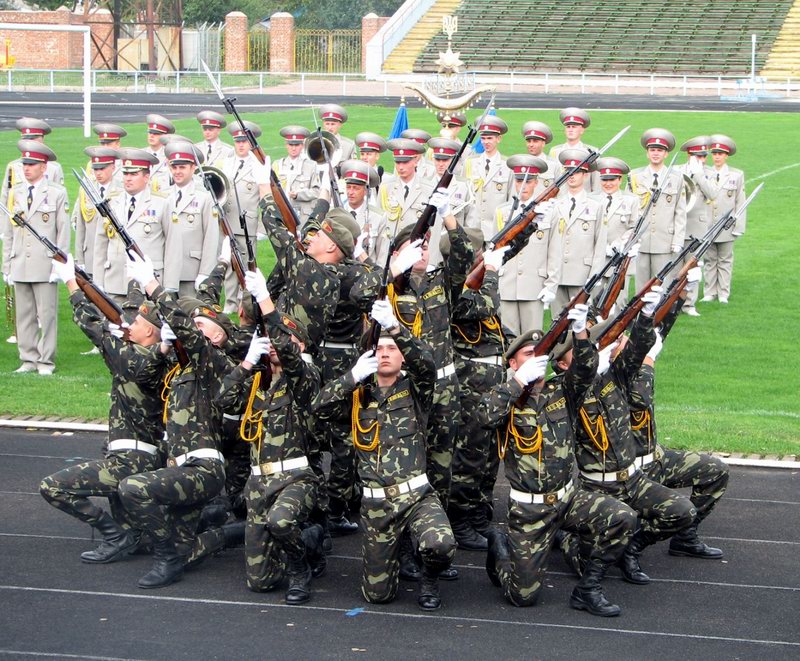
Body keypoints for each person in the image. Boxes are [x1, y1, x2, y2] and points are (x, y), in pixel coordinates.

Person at [479, 307, 636, 616]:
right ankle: (500, 549)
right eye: (528, 355)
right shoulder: (505, 398)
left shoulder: (561, 391)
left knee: (623, 518)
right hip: (530, 510)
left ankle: (588, 590)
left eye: (540, 353)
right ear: (513, 363)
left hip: (568, 499)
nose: (536, 359)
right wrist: (518, 382)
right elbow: (484, 417)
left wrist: (579, 333)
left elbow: (586, 370)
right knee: (523, 596)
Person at [314, 300, 456, 611]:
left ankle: (429, 578)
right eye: (379, 348)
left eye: (392, 348)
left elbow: (426, 363)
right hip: (377, 504)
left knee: (441, 543)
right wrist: (351, 377)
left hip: (416, 496)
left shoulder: (416, 388)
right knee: (377, 595)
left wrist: (394, 326)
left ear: (402, 355)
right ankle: (396, 553)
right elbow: (319, 408)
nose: (385, 353)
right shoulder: (357, 396)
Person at [40, 255, 166, 564]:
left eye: (137, 324)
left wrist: (72, 284)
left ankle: (114, 535)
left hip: (130, 461)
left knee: (52, 487)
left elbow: (93, 327)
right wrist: (137, 282)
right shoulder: (148, 358)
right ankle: (131, 535)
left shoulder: (136, 361)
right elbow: (120, 316)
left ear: (151, 332)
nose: (128, 325)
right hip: (136, 455)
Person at [120, 252, 234, 589]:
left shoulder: (216, 363)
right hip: (180, 466)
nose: (192, 330)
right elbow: (142, 375)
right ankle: (231, 533)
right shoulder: (181, 368)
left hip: (203, 469)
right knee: (186, 551)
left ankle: (165, 557)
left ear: (217, 337)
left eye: (201, 326)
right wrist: (163, 349)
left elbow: (188, 331)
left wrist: (152, 285)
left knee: (133, 488)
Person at [566, 295, 696, 585]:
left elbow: (636, 351)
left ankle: (632, 548)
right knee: (585, 560)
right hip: (598, 486)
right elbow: (580, 374)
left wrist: (646, 317)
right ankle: (568, 540)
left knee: (682, 511)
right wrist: (581, 338)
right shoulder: (568, 391)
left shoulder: (615, 378)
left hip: (632, 481)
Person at [217, 267, 324, 603]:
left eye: (284, 339)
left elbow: (290, 356)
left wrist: (264, 299)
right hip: (258, 483)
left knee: (281, 521)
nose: (276, 344)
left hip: (295, 478)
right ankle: (307, 539)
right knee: (260, 582)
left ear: (299, 345)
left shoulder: (306, 377)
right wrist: (247, 364)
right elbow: (223, 400)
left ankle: (300, 567)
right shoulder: (258, 383)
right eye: (272, 338)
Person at [627, 267, 729, 559]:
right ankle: (635, 544)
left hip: (656, 459)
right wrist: (648, 359)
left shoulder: (631, 358)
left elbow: (657, 333)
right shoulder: (611, 372)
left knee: (715, 470)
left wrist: (680, 293)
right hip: (631, 473)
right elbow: (639, 399)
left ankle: (686, 537)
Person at [448, 238, 510, 549]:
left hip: (492, 382)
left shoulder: (474, 286)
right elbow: (487, 305)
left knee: (489, 455)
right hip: (471, 385)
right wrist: (493, 273)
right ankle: (459, 520)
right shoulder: (455, 293)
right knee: (469, 455)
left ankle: (478, 514)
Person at [4, 140, 69, 375]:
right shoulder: (16, 192)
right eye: (25, 164)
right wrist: (6, 264)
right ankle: (28, 358)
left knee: (47, 315)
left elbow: (62, 230)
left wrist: (59, 265)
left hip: (45, 263)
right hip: (20, 260)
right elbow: (9, 230)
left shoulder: (56, 193)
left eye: (32, 164)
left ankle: (46, 361)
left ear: (44, 167)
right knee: (24, 315)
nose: (27, 168)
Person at [93, 148, 177, 304]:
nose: (128, 178)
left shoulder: (162, 203)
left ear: (146, 177)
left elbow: (173, 245)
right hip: (115, 281)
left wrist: (170, 284)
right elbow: (100, 244)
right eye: (125, 174)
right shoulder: (111, 203)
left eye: (134, 174)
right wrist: (98, 281)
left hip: (148, 284)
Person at [493, 154, 560, 335]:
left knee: (532, 340)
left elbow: (555, 251)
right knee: (508, 340)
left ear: (536, 182)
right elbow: (493, 250)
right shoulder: (502, 212)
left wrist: (551, 285)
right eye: (519, 180)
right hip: (507, 284)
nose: (523, 185)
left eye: (528, 181)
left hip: (534, 285)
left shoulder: (550, 212)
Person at [220, 120, 271, 312]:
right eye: (237, 141)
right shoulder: (227, 162)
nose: (240, 145)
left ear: (251, 142)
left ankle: (246, 302)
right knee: (229, 263)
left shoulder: (258, 164)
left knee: (248, 266)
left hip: (247, 224)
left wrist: (261, 228)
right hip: (227, 220)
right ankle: (230, 303)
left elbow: (265, 196)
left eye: (244, 141)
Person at [627, 128, 686, 292]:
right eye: (652, 150)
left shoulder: (676, 178)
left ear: (666, 154)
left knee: (661, 287)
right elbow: (628, 209)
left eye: (660, 150)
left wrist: (678, 241)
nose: (655, 153)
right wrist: (628, 238)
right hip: (640, 241)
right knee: (641, 288)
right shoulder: (635, 177)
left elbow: (680, 211)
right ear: (647, 153)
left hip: (664, 240)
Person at [551, 149, 607, 317]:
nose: (572, 176)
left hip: (582, 273)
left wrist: (595, 275)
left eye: (576, 172)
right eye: (568, 172)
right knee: (557, 323)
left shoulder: (596, 206)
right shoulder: (555, 204)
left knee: (580, 322)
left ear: (585, 175)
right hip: (558, 273)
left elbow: (600, 243)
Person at [163, 141, 219, 296]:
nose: (177, 172)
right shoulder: (163, 196)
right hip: (165, 271)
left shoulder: (205, 198)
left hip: (191, 271)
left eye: (182, 167)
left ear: (193, 168)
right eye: (174, 167)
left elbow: (211, 238)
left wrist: (205, 272)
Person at [701, 134, 745, 304]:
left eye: (720, 154)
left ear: (726, 155)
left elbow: (740, 202)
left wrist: (738, 226)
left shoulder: (736, 175)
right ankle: (709, 292)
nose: (717, 157)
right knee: (709, 260)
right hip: (708, 225)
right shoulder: (704, 173)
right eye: (714, 154)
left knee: (725, 260)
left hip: (727, 226)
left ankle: (723, 293)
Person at [592, 156, 640, 313]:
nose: (608, 183)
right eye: (604, 180)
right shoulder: (591, 199)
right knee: (593, 303)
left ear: (620, 180)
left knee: (619, 302)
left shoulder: (631, 200)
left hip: (619, 259)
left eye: (612, 179)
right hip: (596, 259)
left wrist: (620, 243)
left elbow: (634, 227)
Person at [377, 138, 435, 264]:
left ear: (415, 161)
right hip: (389, 256)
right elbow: (379, 225)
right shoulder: (386, 187)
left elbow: (434, 229)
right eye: (398, 162)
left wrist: (431, 262)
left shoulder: (429, 189)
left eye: (405, 162)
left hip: (416, 254)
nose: (400, 167)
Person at [677, 136, 715, 316]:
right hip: (677, 225)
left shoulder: (709, 173)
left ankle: (689, 304)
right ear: (689, 155)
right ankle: (671, 303)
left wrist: (699, 175)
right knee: (675, 266)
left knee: (693, 266)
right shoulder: (677, 170)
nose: (701, 159)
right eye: (697, 156)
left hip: (697, 226)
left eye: (703, 156)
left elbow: (713, 194)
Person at [74, 146, 121, 280]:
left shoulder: (121, 189)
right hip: (90, 255)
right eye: (96, 169)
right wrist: (79, 259)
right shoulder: (86, 189)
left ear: (113, 167)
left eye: (102, 168)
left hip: (113, 257)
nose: (98, 173)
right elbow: (81, 226)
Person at [464, 115, 511, 241]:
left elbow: (511, 200)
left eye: (490, 138)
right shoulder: (470, 163)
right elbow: (464, 195)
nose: (486, 142)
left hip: (496, 230)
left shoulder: (507, 166)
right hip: (472, 227)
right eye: (483, 138)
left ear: (498, 139)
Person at [273, 125, 320, 226]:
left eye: (297, 145)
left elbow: (316, 192)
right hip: (282, 215)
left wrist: (299, 195)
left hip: (303, 216)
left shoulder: (311, 166)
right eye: (290, 144)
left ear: (302, 146)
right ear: (286, 145)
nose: (293, 148)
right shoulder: (277, 165)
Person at [548, 108, 598, 193]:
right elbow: (550, 180)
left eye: (574, 127)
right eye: (568, 127)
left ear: (582, 130)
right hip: (560, 198)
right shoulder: (555, 151)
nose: (570, 129)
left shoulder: (591, 152)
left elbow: (596, 184)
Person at [521, 120, 562, 193]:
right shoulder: (520, 164)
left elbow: (560, 192)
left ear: (543, 143)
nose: (531, 144)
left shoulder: (553, 165)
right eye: (529, 141)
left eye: (535, 141)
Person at [143, 114, 175, 194]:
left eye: (156, 133)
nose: (151, 136)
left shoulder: (170, 155)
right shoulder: (141, 154)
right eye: (150, 132)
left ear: (165, 136)